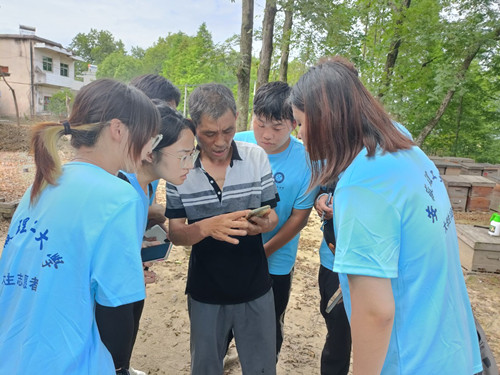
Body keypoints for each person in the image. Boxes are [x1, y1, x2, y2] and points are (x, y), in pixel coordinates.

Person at [290, 56, 482, 375]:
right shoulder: (405, 151)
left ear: (325, 119)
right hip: (453, 350)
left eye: (300, 122)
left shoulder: (363, 182)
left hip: (413, 361)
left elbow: (375, 312)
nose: (300, 136)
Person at [0, 78, 160, 374]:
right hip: (70, 363)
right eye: (149, 137)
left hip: (14, 354)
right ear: (118, 129)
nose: (150, 149)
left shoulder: (45, 182)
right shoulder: (119, 195)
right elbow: (117, 309)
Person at [165, 83, 280, 374]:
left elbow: (273, 217)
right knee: (205, 367)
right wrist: (207, 227)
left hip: (255, 287)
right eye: (209, 133)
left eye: (228, 131)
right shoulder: (181, 168)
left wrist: (262, 224)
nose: (220, 142)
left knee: (262, 367)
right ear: (193, 126)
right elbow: (177, 233)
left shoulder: (256, 158)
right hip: (206, 291)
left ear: (237, 118)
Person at [95, 102, 197, 375]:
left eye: (193, 154)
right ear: (151, 151)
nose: (191, 164)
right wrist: (125, 268)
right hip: (107, 301)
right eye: (184, 155)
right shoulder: (119, 187)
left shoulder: (148, 182)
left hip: (129, 288)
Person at [233, 81, 317, 360]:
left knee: (268, 325)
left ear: (294, 123)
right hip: (228, 251)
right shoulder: (235, 143)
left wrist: (262, 252)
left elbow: (298, 218)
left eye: (277, 128)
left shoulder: (307, 161)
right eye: (260, 123)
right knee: (222, 322)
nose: (266, 135)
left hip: (275, 262)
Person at [130, 74, 182, 231]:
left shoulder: (155, 160)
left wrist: (154, 223)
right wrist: (149, 211)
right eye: (164, 116)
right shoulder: (116, 168)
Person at [314, 188, 351, 375]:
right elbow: (325, 187)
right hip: (332, 261)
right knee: (337, 333)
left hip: (364, 265)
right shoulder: (337, 160)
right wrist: (321, 200)